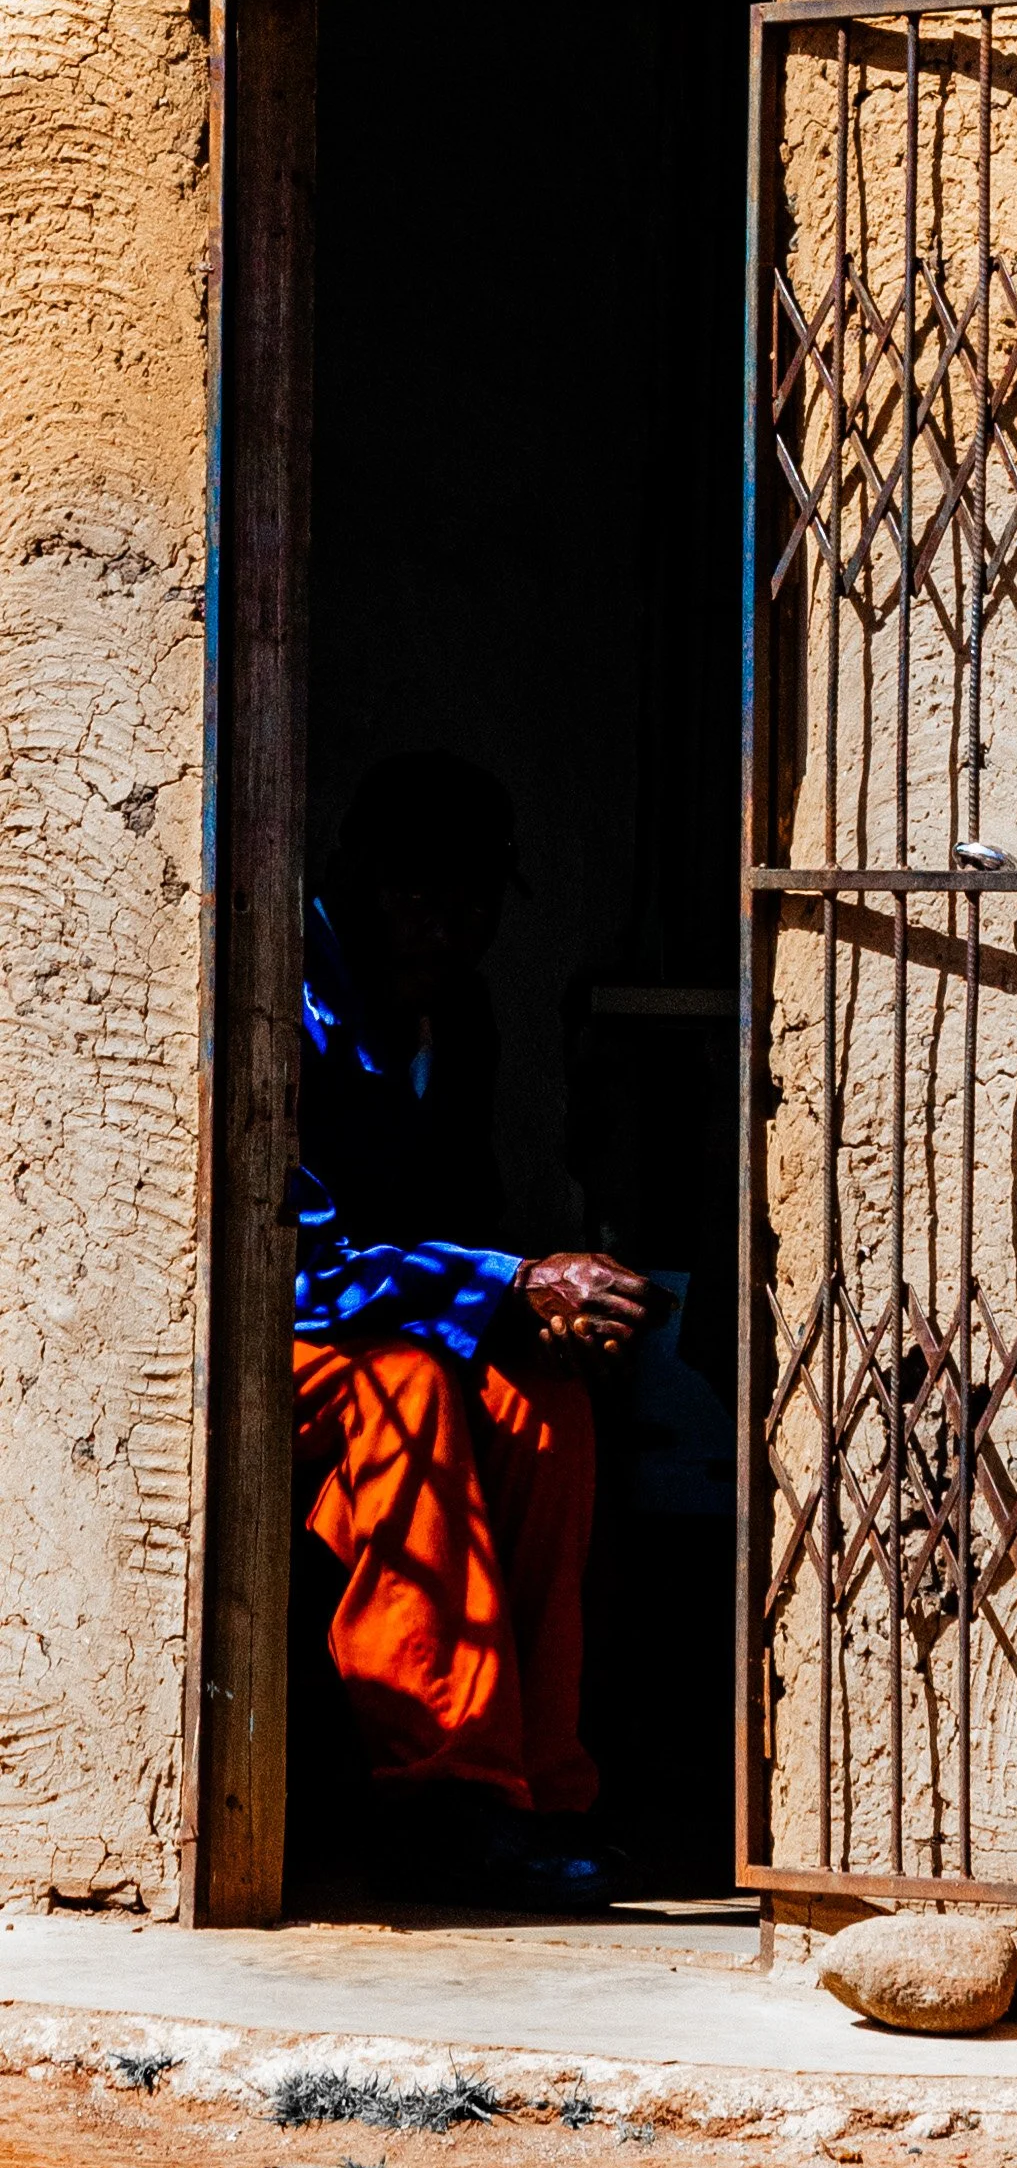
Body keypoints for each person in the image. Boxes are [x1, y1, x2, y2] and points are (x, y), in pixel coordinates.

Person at [291, 749, 657, 1911]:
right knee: (408, 1392)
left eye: (472, 901)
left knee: (544, 1410)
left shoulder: (458, 1011)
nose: (445, 927)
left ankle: (533, 1787)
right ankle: (434, 1782)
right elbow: (294, 1265)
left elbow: (461, 1218)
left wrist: (531, 1308)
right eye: (415, 894)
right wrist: (507, 1284)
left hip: (394, 1318)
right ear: (353, 876)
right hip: (281, 1333)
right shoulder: (284, 995)